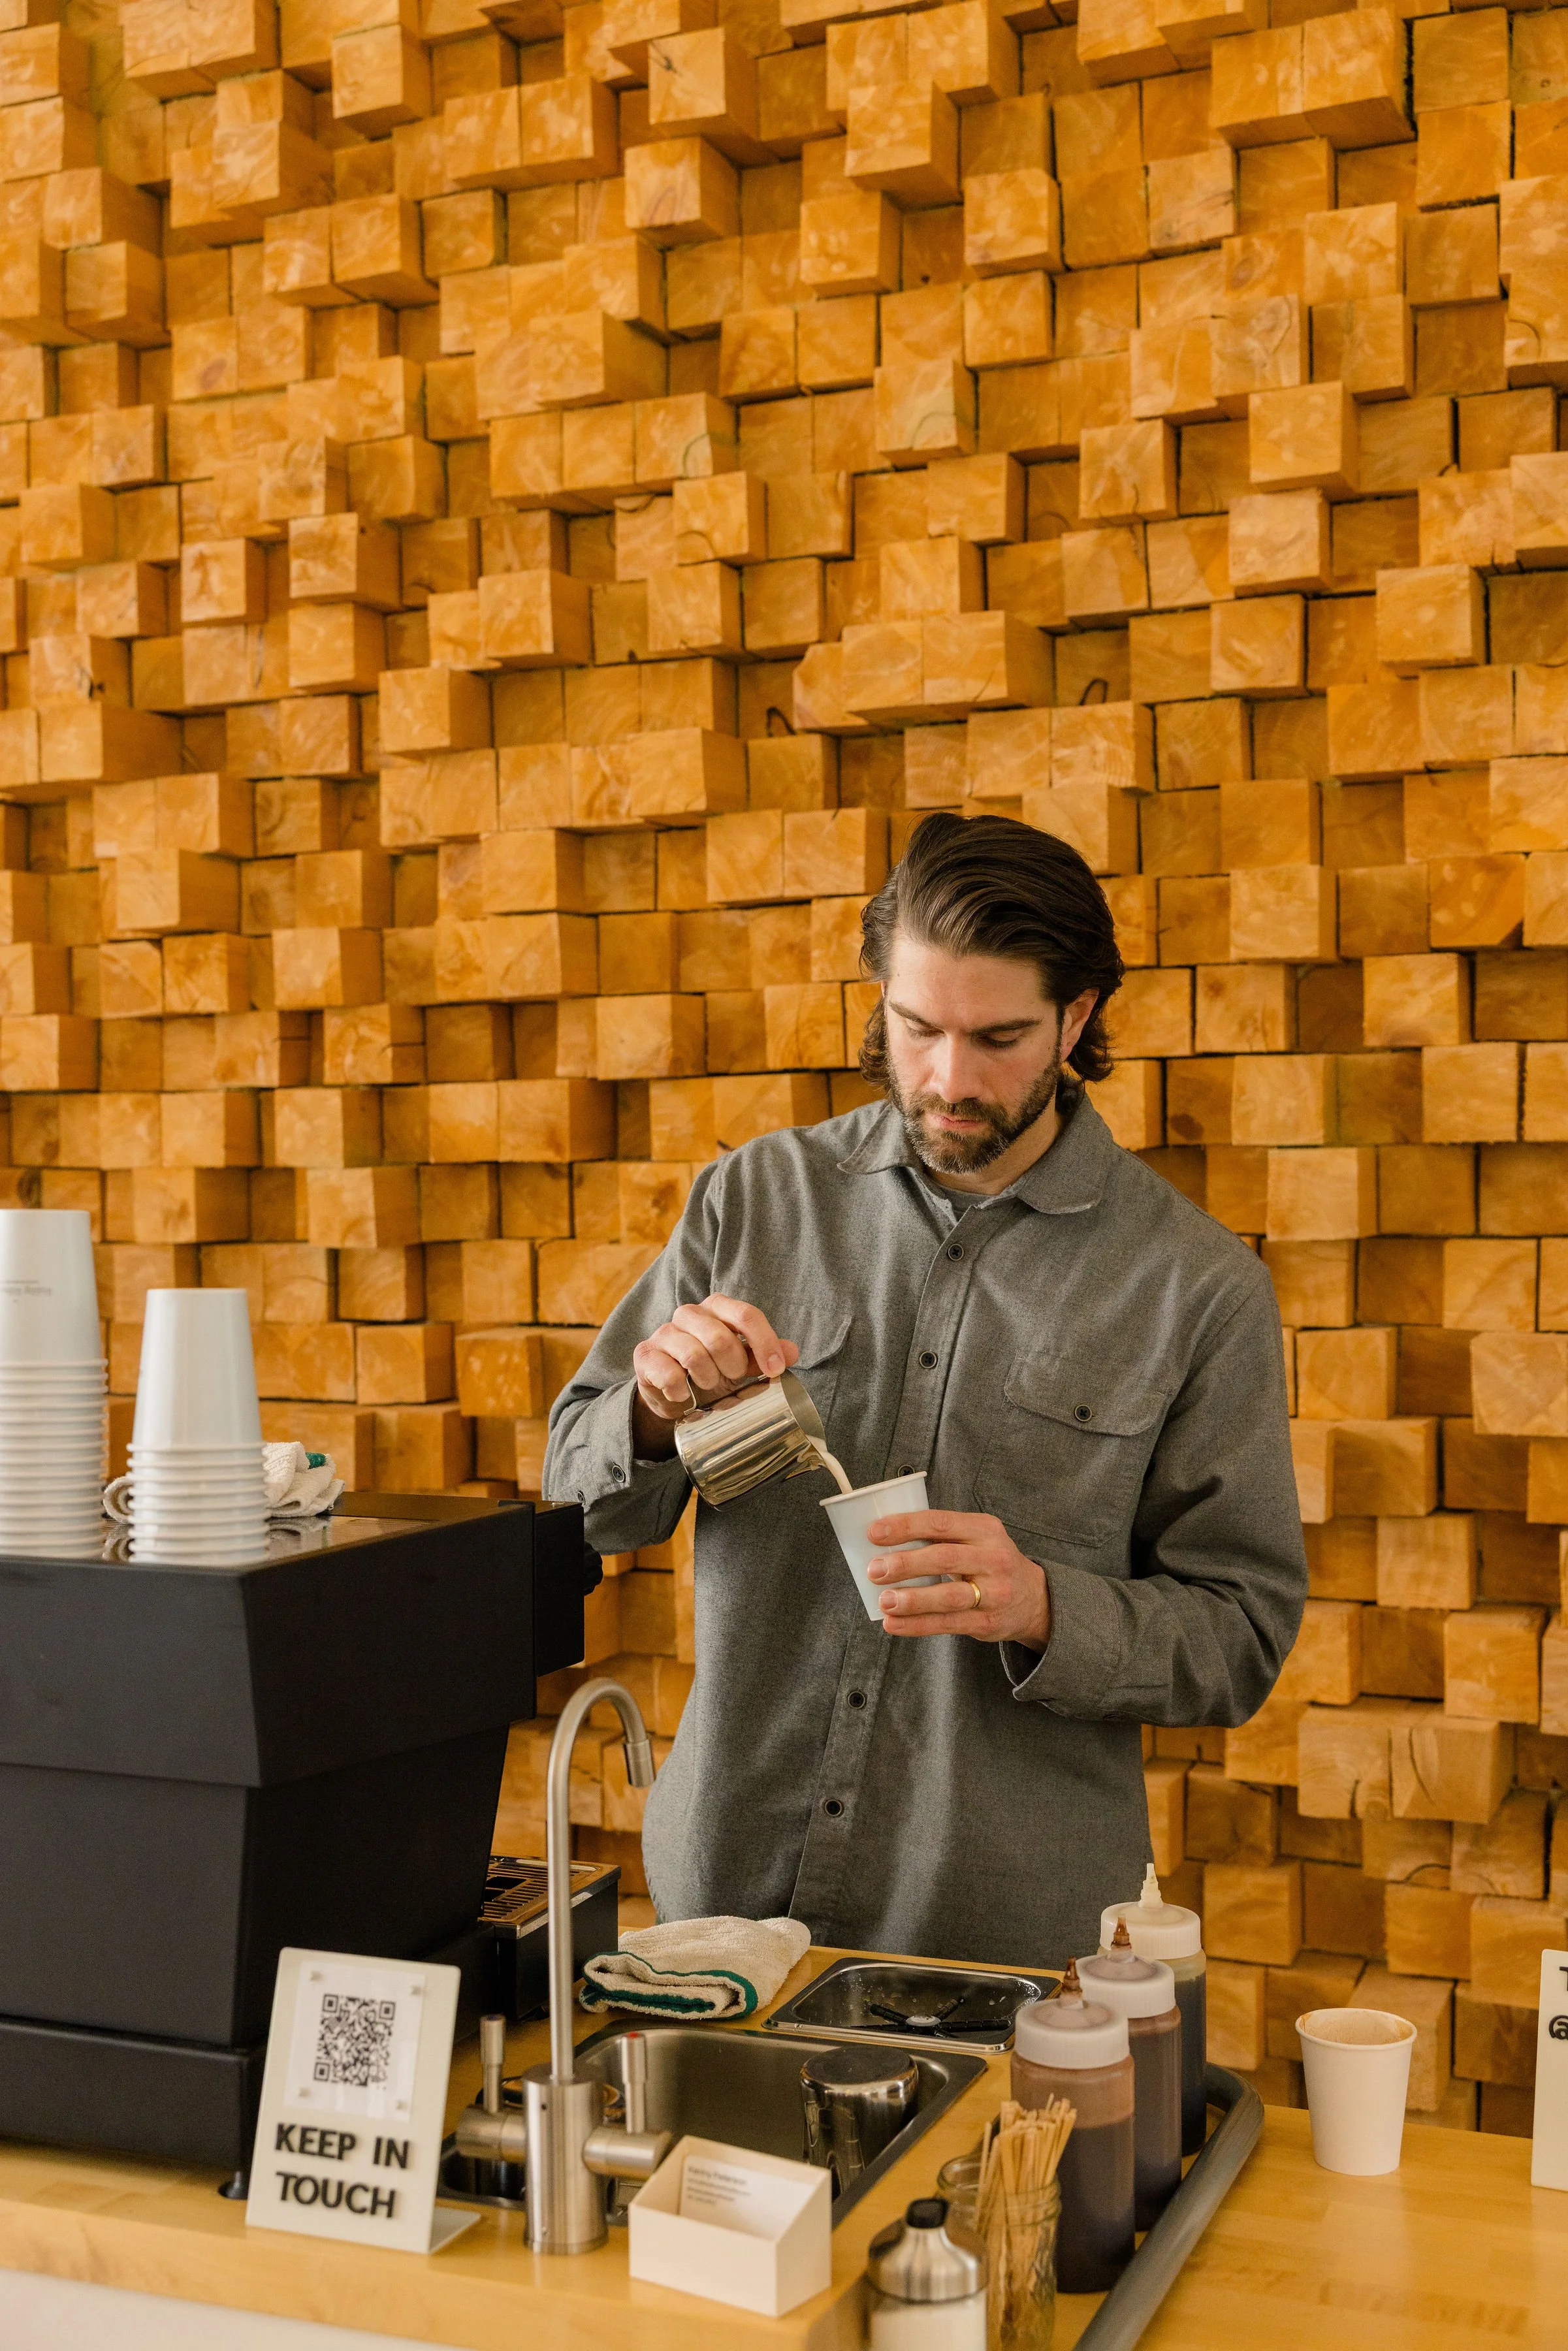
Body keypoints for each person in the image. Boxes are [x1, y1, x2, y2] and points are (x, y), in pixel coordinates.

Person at [545, 812, 1307, 1967]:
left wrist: (1045, 1606)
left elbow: (1242, 1635)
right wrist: (651, 1417)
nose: (949, 1081)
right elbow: (575, 1496)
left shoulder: (1195, 1287)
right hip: (723, 1907)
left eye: (998, 1037)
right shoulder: (754, 1202)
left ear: (1078, 1018)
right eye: (916, 1029)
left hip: (1003, 1939)